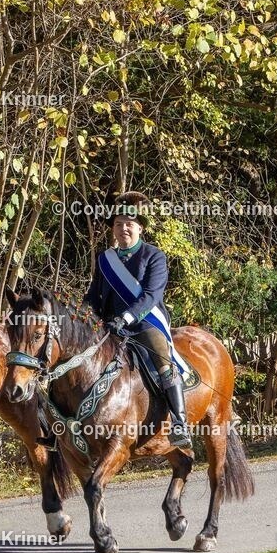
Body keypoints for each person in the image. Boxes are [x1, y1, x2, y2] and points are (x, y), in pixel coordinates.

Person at [85, 191, 191, 448]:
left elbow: (152, 295)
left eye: (129, 225)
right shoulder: (105, 260)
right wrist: (84, 315)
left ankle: (179, 422)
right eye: (118, 224)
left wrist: (127, 316)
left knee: (162, 358)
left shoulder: (154, 256)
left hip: (145, 323)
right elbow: (94, 296)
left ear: (140, 228)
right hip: (111, 327)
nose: (124, 229)